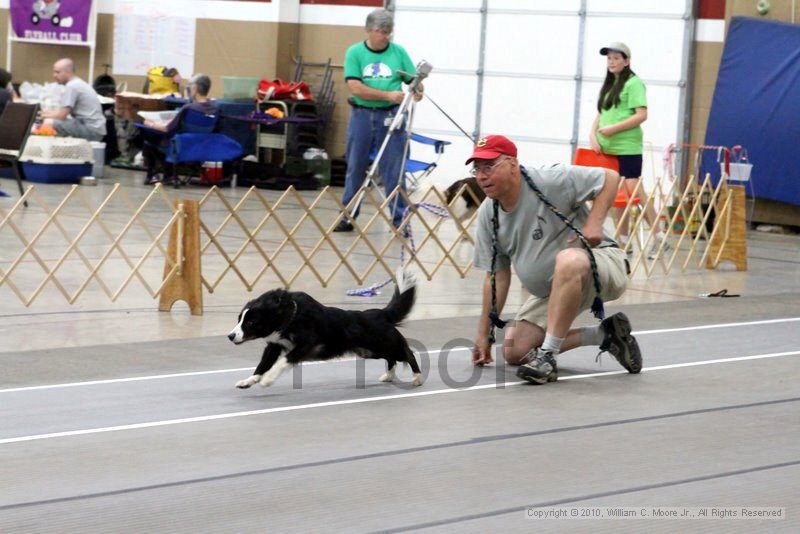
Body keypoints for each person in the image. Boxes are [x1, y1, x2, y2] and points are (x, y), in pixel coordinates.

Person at [469, 135, 643, 385]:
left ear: (512, 164)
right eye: (477, 169)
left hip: (601, 265)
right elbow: (497, 276)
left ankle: (548, 357)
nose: (481, 176)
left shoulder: (549, 180)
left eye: (489, 167)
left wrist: (594, 223)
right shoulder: (489, 214)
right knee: (515, 350)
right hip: (553, 289)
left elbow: (610, 177)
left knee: (569, 259)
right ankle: (606, 335)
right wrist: (483, 333)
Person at [334, 7, 422, 232]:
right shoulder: (355, 53)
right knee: (356, 166)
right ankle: (347, 216)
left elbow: (412, 79)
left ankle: (399, 219)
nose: (385, 35)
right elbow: (355, 87)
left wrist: (417, 87)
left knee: (394, 168)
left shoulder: (398, 52)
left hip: (391, 115)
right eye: (381, 31)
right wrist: (387, 94)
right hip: (362, 115)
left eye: (388, 31)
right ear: (369, 31)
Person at [589, 42, 669, 259]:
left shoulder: (634, 84)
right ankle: (623, 240)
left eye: (616, 58)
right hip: (608, 148)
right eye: (609, 58)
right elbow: (602, 114)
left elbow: (641, 114)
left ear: (626, 61)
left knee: (634, 189)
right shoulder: (609, 84)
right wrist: (592, 135)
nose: (612, 62)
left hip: (627, 146)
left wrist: (613, 129)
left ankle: (660, 236)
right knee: (616, 194)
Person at [140, 73, 217, 185]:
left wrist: (150, 124)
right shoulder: (215, 108)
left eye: (190, 86)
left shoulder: (189, 108)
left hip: (180, 147)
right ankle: (167, 174)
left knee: (148, 136)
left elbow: (167, 129)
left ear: (194, 88)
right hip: (201, 146)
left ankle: (153, 175)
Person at [40, 58, 106, 142]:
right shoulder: (77, 83)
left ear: (68, 72)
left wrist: (42, 117)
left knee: (48, 123)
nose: (54, 75)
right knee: (49, 120)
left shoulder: (72, 87)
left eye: (57, 72)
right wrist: (43, 114)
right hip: (94, 128)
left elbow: (61, 116)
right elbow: (61, 113)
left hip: (91, 130)